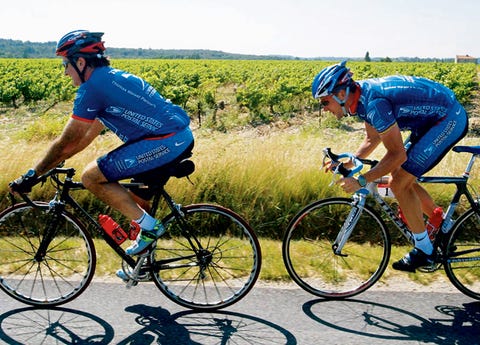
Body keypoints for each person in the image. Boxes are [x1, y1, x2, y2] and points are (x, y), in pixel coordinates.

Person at [9, 30, 194, 278]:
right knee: (137, 202)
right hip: (178, 138)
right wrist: (57, 162)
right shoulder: (109, 80)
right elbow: (86, 136)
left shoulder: (93, 88)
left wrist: (33, 174)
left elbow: (67, 140)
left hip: (164, 142)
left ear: (81, 62)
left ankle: (150, 229)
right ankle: (144, 267)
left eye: (66, 64)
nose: (65, 71)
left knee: (91, 177)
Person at [312, 61, 468, 272]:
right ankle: (441, 223)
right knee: (398, 175)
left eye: (324, 102)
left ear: (341, 94)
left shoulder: (373, 103)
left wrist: (361, 180)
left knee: (399, 181)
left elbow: (396, 155)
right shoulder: (361, 99)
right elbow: (372, 138)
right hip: (431, 121)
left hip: (448, 119)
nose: (324, 108)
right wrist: (350, 160)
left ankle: (424, 250)